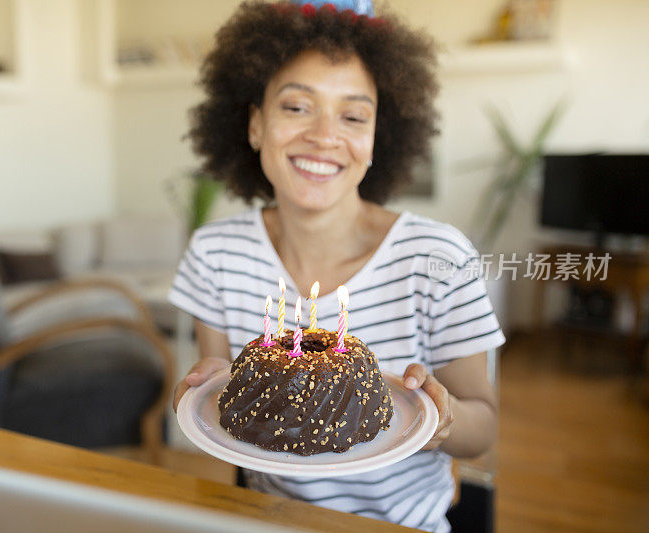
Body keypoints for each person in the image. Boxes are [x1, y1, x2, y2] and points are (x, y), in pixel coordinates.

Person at [169, 2, 504, 531]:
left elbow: (483, 431)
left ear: (377, 140)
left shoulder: (439, 258)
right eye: (297, 107)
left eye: (353, 115)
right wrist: (208, 393)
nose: (325, 136)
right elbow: (226, 418)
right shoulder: (215, 254)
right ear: (255, 124)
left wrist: (443, 419)